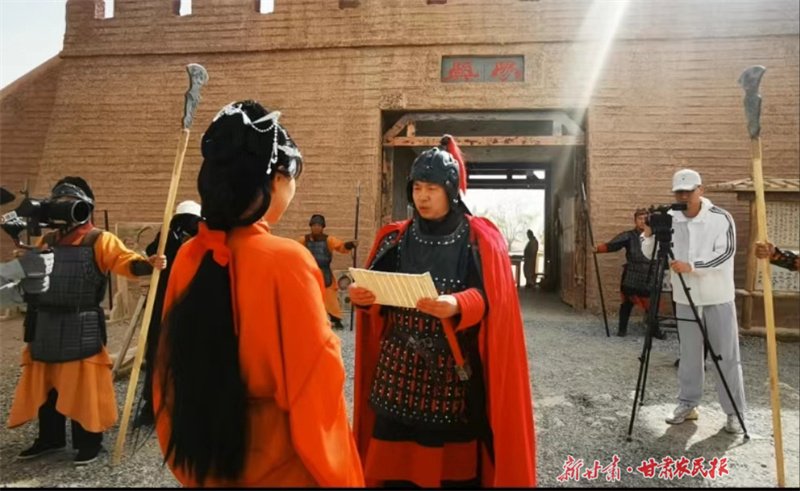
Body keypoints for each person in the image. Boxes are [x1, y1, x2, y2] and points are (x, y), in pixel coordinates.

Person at [152, 100, 364, 487]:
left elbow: (167, 367)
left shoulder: (189, 255)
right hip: (280, 463)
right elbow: (314, 388)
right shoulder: (287, 260)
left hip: (208, 457)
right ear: (277, 178)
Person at [350, 135, 536, 488]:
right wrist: (365, 299)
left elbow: (491, 300)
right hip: (397, 373)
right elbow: (379, 297)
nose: (422, 196)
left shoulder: (477, 239)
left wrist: (458, 304)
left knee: (452, 475)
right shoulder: (395, 238)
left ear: (450, 191)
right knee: (393, 473)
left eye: (432, 188)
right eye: (417, 188)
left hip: (449, 374)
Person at [7, 176, 167, 465]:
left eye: (68, 203)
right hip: (45, 323)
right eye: (58, 203)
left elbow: (125, 261)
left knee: (83, 388)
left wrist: (148, 264)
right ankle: (50, 438)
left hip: (80, 324)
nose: (62, 208)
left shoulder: (99, 239)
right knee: (47, 386)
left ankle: (89, 442)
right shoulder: (48, 240)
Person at [641, 169, 746, 434]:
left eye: (689, 191)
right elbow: (652, 253)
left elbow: (727, 253)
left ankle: (734, 412)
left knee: (726, 356)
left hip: (717, 296)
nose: (684, 196)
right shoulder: (670, 218)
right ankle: (688, 404)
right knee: (688, 355)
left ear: (701, 190)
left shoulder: (721, 217)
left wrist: (693, 266)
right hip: (685, 298)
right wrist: (649, 233)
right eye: (679, 192)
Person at [134, 200, 201, 428]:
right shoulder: (167, 239)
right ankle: (152, 405)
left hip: (190, 306)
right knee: (157, 353)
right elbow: (153, 253)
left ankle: (184, 406)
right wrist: (168, 236)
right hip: (163, 304)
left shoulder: (203, 242)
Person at [594, 208, 657, 337]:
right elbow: (613, 245)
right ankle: (622, 329)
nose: (642, 221)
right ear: (635, 220)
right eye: (640, 218)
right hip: (632, 273)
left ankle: (655, 330)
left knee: (651, 305)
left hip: (650, 273)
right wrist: (598, 249)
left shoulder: (655, 236)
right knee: (627, 303)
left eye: (645, 219)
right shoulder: (629, 236)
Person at [296, 214, 357, 330]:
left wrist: (350, 245)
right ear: (311, 226)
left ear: (322, 227)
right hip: (309, 271)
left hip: (324, 271)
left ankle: (336, 319)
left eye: (319, 225)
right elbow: (294, 247)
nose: (316, 227)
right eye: (314, 225)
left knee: (330, 298)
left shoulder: (329, 240)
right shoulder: (304, 240)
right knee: (307, 296)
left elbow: (340, 246)